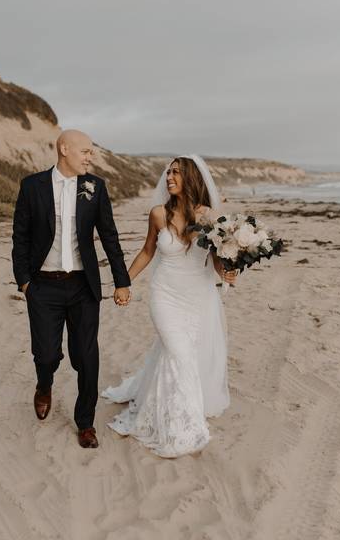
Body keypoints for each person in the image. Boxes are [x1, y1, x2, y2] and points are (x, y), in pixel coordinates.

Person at [102, 155, 236, 457]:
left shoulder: (209, 218)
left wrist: (229, 272)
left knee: (180, 354)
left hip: (198, 296)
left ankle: (157, 398)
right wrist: (124, 282)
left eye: (176, 173)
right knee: (179, 352)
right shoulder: (158, 214)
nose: (169, 177)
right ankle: (186, 427)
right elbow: (148, 251)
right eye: (168, 173)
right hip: (165, 294)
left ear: (191, 178)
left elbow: (217, 261)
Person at [11, 129, 131, 449]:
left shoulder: (96, 187)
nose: (90, 157)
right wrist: (24, 281)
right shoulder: (32, 186)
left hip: (83, 286)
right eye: (85, 151)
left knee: (86, 357)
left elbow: (109, 237)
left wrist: (121, 281)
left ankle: (86, 423)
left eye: (91, 152)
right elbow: (20, 237)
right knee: (47, 354)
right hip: (43, 287)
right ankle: (44, 383)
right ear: (64, 149)